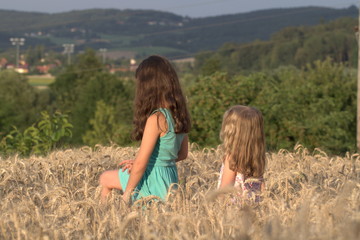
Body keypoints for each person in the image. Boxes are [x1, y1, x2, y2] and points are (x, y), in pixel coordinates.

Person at [99, 55, 191, 204]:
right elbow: (183, 154)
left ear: (148, 86)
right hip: (169, 179)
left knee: (105, 179)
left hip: (153, 179)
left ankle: (102, 219)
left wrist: (127, 194)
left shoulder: (156, 119)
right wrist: (145, 163)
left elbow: (142, 163)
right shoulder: (179, 114)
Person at [217, 105, 266, 202]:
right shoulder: (257, 157)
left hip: (234, 210)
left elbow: (224, 191)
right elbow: (262, 188)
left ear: (231, 132)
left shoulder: (232, 158)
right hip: (253, 208)